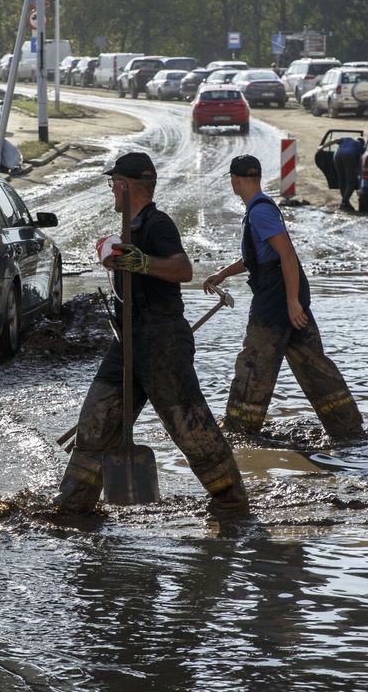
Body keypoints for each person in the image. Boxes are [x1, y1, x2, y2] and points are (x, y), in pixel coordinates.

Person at [55, 151, 249, 517]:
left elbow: (182, 269)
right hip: (126, 340)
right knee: (96, 421)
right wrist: (114, 251)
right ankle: (72, 505)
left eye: (113, 184)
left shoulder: (158, 224)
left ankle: (231, 502)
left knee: (188, 425)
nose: (111, 191)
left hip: (162, 341)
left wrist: (141, 262)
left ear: (126, 186)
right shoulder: (132, 228)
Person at [203, 154, 365, 441]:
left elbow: (287, 254)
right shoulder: (259, 208)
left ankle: (239, 432)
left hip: (277, 299)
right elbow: (258, 258)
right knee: (313, 364)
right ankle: (349, 430)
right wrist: (224, 274)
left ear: (235, 180)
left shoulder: (259, 212)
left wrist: (292, 304)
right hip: (284, 293)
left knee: (255, 361)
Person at [333, 136, 365, 211]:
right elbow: (363, 158)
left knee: (342, 180)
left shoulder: (347, 139)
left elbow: (334, 140)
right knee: (351, 182)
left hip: (336, 156)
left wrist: (322, 147)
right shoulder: (360, 145)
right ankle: (344, 202)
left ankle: (346, 203)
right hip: (348, 156)